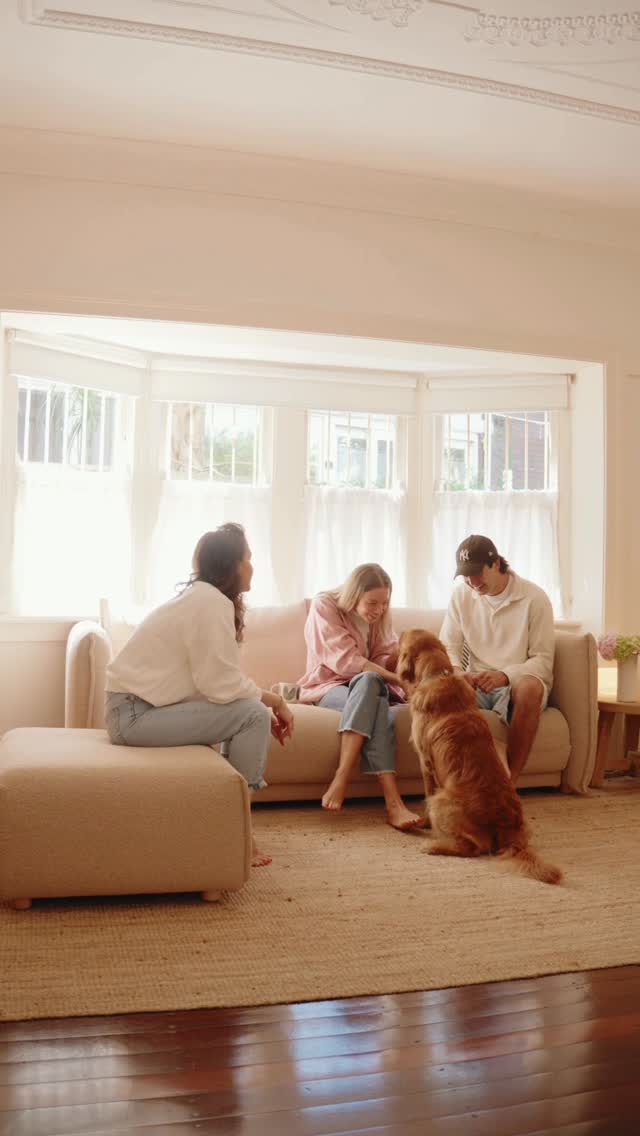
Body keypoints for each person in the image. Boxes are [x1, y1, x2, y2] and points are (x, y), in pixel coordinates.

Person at [104, 523, 294, 868]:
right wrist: (276, 701)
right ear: (233, 565)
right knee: (254, 714)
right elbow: (221, 685)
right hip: (133, 716)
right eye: (249, 558)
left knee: (248, 711)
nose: (253, 567)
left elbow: (217, 684)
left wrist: (257, 701)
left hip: (131, 711)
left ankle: (229, 821)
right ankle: (237, 828)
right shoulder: (209, 602)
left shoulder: (202, 598)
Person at [297, 563, 424, 831]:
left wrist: (408, 670)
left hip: (367, 688)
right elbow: (347, 661)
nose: (379, 610)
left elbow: (382, 655)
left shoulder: (379, 618)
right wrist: (398, 680)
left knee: (371, 687)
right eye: (372, 603)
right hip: (329, 687)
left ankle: (347, 782)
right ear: (354, 594)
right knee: (370, 686)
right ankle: (389, 801)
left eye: (384, 603)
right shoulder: (324, 606)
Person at [440, 534, 554, 784]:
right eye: (465, 575)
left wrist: (505, 675)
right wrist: (458, 671)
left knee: (530, 687)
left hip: (516, 683)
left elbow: (542, 661)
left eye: (477, 573)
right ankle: (458, 784)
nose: (472, 582)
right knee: (445, 689)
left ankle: (509, 784)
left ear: (496, 563)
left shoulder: (535, 598)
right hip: (477, 682)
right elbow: (448, 645)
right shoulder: (461, 596)